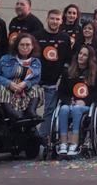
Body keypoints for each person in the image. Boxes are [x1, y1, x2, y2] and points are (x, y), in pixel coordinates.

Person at [33, 9, 73, 141]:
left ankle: (42, 138)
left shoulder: (65, 38)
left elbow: (67, 61)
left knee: (49, 111)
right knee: (30, 111)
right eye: (52, 18)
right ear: (47, 19)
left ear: (61, 21)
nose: (54, 21)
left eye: (57, 19)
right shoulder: (36, 36)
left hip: (54, 83)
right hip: (36, 82)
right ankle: (30, 138)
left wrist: (61, 78)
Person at [56, 46, 97, 156]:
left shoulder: (95, 73)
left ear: (89, 58)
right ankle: (63, 143)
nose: (81, 56)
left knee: (77, 109)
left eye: (85, 55)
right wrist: (68, 101)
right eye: (80, 53)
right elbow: (61, 92)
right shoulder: (68, 72)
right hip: (71, 103)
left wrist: (85, 101)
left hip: (86, 106)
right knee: (63, 109)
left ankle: (74, 142)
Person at [0, 33, 43, 120]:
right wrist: (9, 84)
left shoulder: (36, 62)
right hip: (8, 90)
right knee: (0, 88)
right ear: (17, 46)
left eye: (28, 45)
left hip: (25, 91)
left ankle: (31, 111)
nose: (25, 47)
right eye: (22, 45)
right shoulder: (5, 59)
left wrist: (25, 83)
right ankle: (12, 113)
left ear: (32, 47)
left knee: (37, 88)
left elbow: (36, 79)